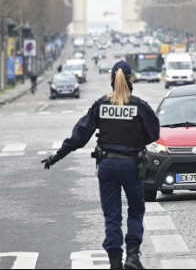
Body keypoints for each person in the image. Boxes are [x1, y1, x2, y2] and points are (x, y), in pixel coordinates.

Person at [41, 60, 160, 269]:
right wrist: (136, 140)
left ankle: (114, 261)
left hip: (107, 166)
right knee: (135, 210)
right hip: (132, 165)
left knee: (112, 215)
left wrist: (58, 155)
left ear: (111, 80)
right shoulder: (139, 106)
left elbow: (80, 135)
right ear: (131, 79)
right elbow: (154, 133)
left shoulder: (101, 104)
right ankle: (133, 257)